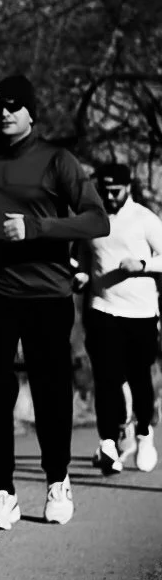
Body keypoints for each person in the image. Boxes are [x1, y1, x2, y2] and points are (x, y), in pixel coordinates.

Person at [0, 74, 108, 534]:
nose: (4, 113)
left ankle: (58, 480)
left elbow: (97, 221)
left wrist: (37, 229)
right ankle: (3, 491)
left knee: (50, 393)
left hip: (48, 294)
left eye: (14, 105)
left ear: (31, 111)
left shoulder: (58, 160)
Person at [76, 161, 162, 475]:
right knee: (107, 377)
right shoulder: (90, 218)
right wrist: (81, 275)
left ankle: (144, 433)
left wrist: (142, 264)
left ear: (128, 187)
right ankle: (109, 442)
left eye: (116, 190)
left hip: (140, 313)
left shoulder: (143, 219)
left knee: (140, 379)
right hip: (102, 308)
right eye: (105, 189)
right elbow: (82, 256)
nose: (110, 196)